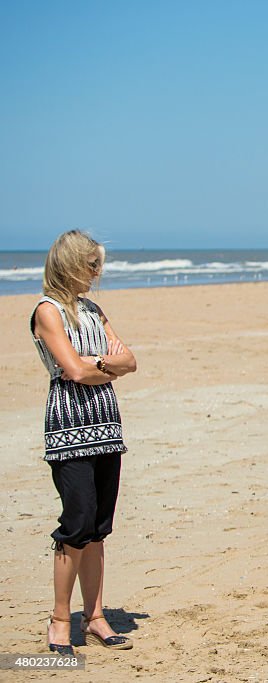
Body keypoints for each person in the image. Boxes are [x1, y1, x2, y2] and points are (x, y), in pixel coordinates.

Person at [31, 230, 137, 656]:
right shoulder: (47, 310)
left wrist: (103, 364)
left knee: (97, 529)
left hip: (107, 426)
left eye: (98, 264)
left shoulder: (93, 309)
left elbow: (130, 360)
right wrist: (102, 365)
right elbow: (73, 371)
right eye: (91, 264)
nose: (97, 272)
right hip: (69, 429)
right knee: (75, 525)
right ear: (71, 263)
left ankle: (94, 617)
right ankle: (60, 620)